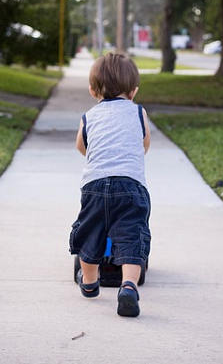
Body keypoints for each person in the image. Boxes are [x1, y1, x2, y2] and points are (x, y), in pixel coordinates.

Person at [69, 53, 152, 317]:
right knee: (131, 235)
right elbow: (144, 144)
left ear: (92, 91)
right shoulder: (139, 112)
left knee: (90, 233)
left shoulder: (88, 116)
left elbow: (81, 146)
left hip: (94, 187)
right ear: (134, 91)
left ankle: (90, 283)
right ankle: (128, 285)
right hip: (131, 186)